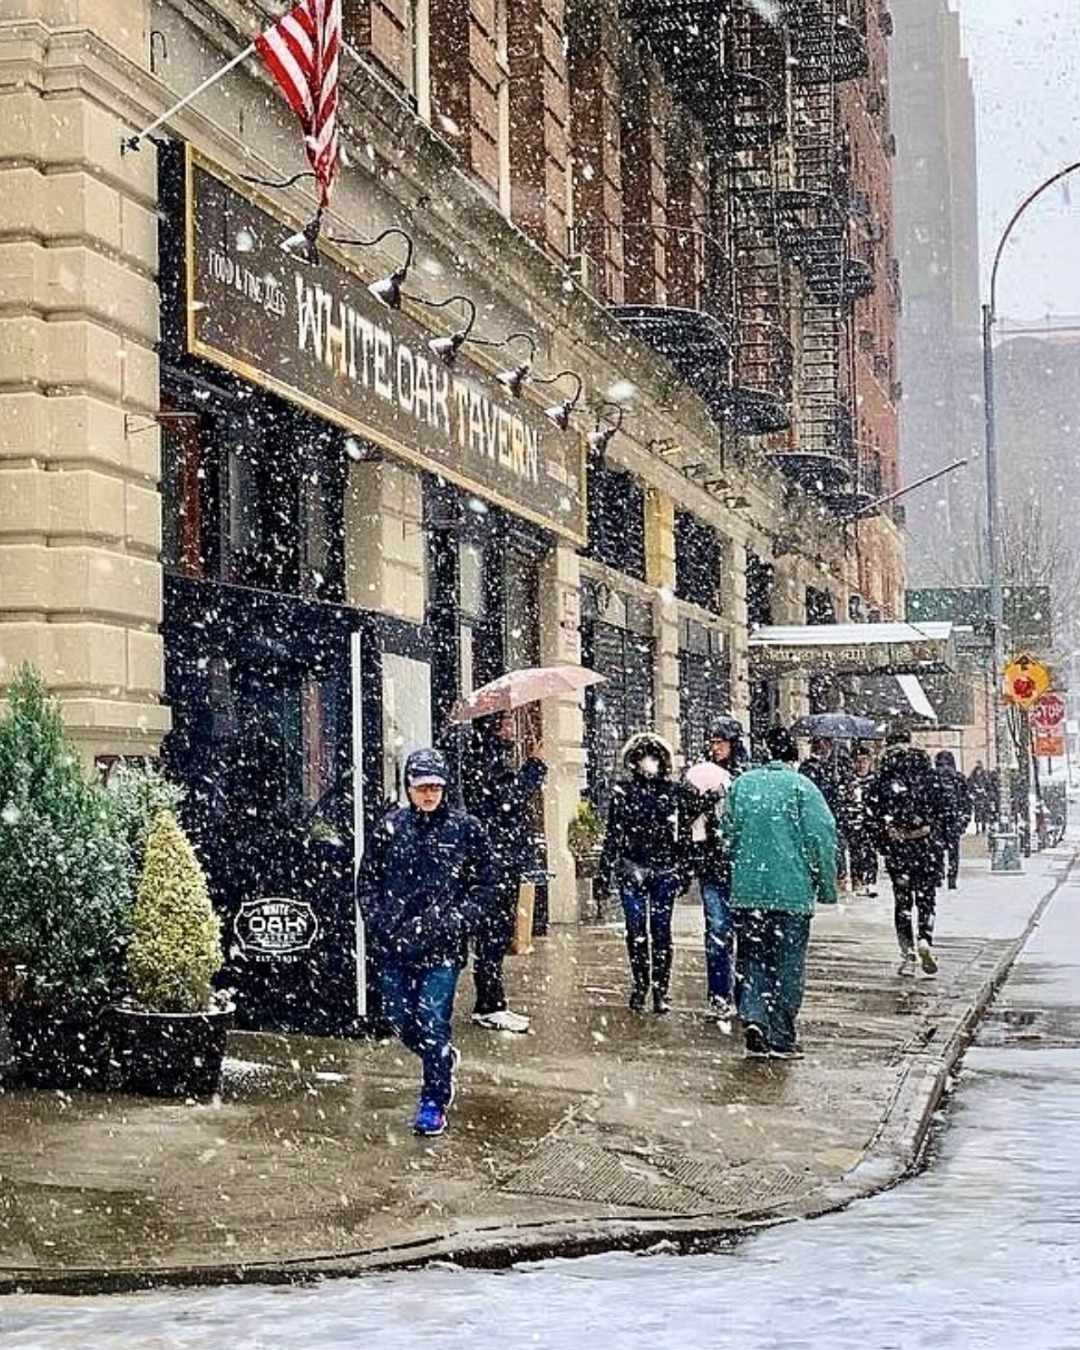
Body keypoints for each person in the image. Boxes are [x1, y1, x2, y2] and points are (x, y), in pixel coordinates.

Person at [357, 748, 494, 1137]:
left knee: (432, 1021)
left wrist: (456, 920)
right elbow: (368, 881)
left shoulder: (466, 828)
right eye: (421, 788)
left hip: (441, 947)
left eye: (435, 787)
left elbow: (486, 885)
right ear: (409, 789)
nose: (429, 794)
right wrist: (381, 921)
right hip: (395, 945)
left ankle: (433, 1099)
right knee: (400, 1019)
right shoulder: (390, 827)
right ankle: (442, 1059)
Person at [722, 725, 838, 1059]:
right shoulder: (803, 788)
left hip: (748, 891)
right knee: (788, 964)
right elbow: (821, 839)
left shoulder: (742, 786)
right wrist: (826, 886)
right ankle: (782, 1037)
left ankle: (754, 1015)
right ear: (792, 755)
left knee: (752, 957)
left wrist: (741, 867)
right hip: (791, 893)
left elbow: (727, 833)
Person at [461, 710, 547, 1033]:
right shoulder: (484, 757)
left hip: (503, 857)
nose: (512, 727)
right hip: (493, 860)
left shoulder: (493, 755)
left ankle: (494, 1003)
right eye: (507, 721)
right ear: (495, 726)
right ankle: (489, 1005)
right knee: (492, 935)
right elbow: (505, 800)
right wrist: (534, 766)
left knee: (497, 935)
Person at [597, 732, 688, 1015]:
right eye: (643, 758)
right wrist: (603, 872)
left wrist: (683, 868)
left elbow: (681, 834)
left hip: (663, 869)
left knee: (661, 932)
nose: (648, 763)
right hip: (632, 867)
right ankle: (640, 986)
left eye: (653, 758)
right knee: (636, 931)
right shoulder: (623, 792)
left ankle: (660, 989)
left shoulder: (672, 792)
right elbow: (613, 834)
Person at [866, 731, 948, 979]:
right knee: (926, 898)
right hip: (926, 846)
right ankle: (925, 937)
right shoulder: (928, 775)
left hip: (899, 847)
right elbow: (946, 809)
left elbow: (871, 815)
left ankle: (908, 953)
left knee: (903, 903)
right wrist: (935, 834)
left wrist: (885, 838)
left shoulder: (884, 777)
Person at [685, 718, 745, 1020]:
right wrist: (701, 805)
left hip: (740, 867)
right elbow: (685, 818)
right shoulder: (701, 776)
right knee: (717, 932)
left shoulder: (744, 776)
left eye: (721, 741)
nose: (716, 746)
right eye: (712, 741)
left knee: (745, 935)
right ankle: (719, 995)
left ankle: (743, 996)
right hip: (711, 866)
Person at [800, 737, 857, 892]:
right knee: (816, 846)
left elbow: (849, 785)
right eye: (816, 744)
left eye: (822, 743)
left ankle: (839, 879)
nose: (819, 747)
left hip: (836, 811)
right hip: (816, 810)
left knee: (837, 845)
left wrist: (840, 783)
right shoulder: (809, 766)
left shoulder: (841, 764)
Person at [935, 750, 973, 889]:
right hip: (951, 819)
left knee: (937, 850)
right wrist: (964, 820)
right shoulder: (958, 778)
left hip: (939, 820)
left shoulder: (934, 777)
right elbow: (967, 802)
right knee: (952, 851)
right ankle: (950, 878)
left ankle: (939, 876)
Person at [848, 743, 880, 897]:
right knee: (855, 852)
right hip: (853, 822)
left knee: (870, 852)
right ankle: (857, 880)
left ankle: (871, 881)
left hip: (870, 822)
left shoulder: (875, 781)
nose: (861, 764)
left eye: (864, 760)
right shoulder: (849, 781)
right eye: (858, 761)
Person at [968, 761, 995, 834]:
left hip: (984, 797)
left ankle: (983, 826)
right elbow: (970, 785)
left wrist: (986, 792)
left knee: (984, 812)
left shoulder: (985, 776)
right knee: (978, 812)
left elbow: (989, 786)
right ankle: (978, 827)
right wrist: (973, 792)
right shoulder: (973, 775)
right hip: (977, 797)